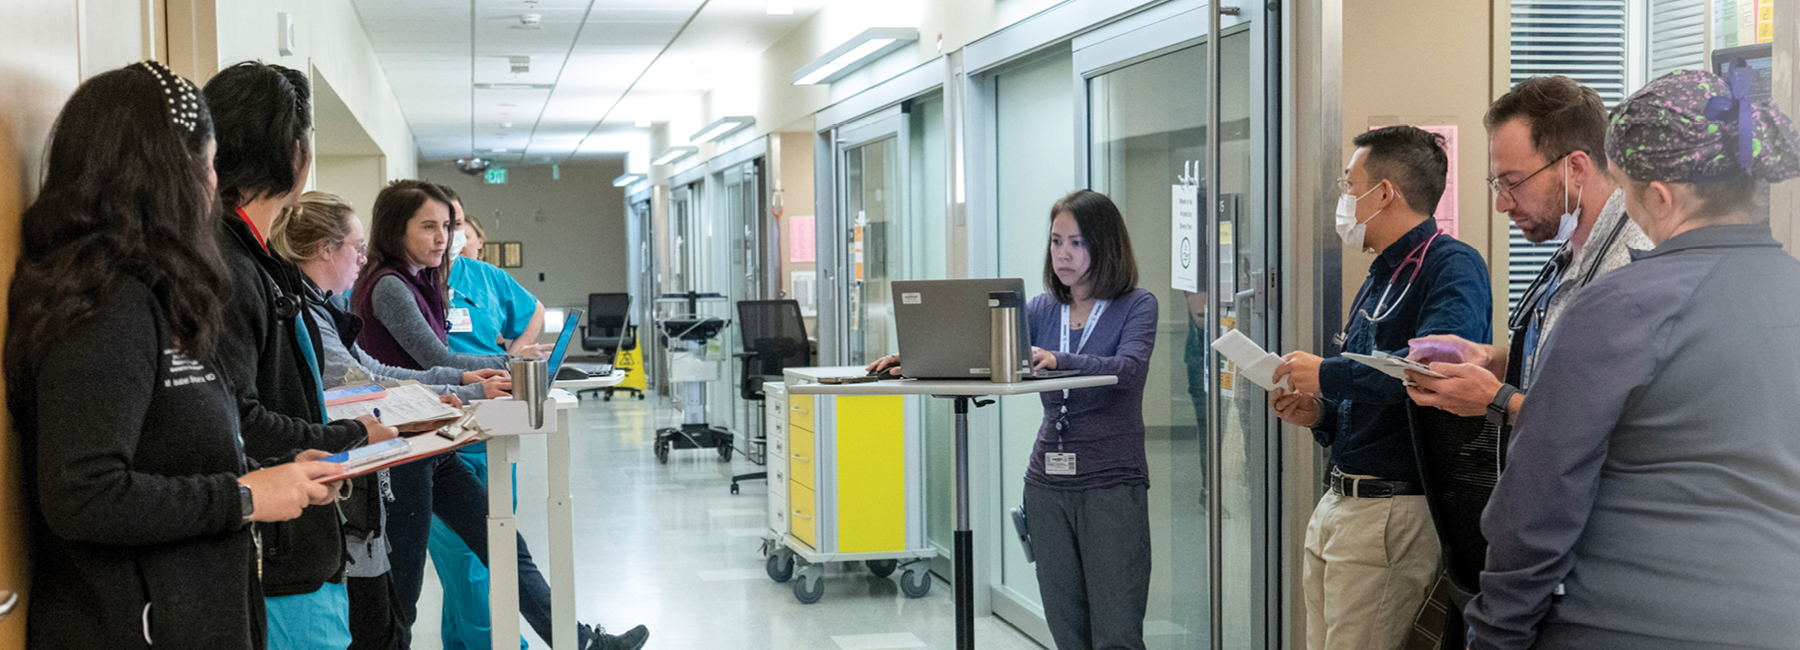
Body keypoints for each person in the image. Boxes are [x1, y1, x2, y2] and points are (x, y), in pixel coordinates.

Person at [4, 59, 344, 650]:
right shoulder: (106, 303)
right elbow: (83, 492)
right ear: (168, 175)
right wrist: (243, 498)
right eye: (209, 165)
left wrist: (269, 475)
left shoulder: (159, 291)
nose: (214, 185)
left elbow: (173, 451)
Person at [1464, 67, 1800, 650]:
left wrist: (1495, 632)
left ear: (1661, 197)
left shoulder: (1620, 308)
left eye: (1622, 185)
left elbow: (1538, 506)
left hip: (1623, 622)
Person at [353, 181, 647, 650]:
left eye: (448, 227)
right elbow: (434, 358)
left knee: (504, 546)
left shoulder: (421, 280)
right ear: (395, 229)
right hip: (405, 448)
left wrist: (511, 363)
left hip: (436, 440)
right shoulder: (389, 285)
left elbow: (444, 357)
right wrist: (509, 365)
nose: (443, 238)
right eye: (429, 227)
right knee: (403, 591)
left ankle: (579, 642)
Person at [872, 189, 1159, 650]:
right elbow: (979, 348)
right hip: (1047, 485)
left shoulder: (1136, 305)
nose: (1063, 254)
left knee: (1116, 633)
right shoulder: (1044, 309)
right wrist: (916, 357)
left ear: (1105, 246)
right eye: (1055, 241)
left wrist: (1056, 359)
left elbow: (1129, 370)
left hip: (1110, 483)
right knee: (1067, 628)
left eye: (1078, 243)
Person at [1267, 126, 1491, 650]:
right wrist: (1319, 413)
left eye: (1350, 186)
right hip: (1341, 498)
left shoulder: (1451, 266)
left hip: (1392, 509)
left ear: (1384, 193)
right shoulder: (1381, 275)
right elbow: (1370, 395)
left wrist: (1325, 373)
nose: (1343, 201)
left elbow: (1430, 375)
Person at [206, 60, 400, 650]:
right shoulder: (231, 267)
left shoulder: (255, 260)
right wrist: (348, 434)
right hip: (280, 553)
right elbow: (239, 417)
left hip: (297, 540)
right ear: (298, 156)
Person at [270, 191, 512, 650]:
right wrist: (465, 389)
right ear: (325, 249)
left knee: (400, 604)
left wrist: (462, 382)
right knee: (388, 609)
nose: (362, 258)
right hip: (359, 474)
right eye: (355, 247)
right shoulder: (311, 310)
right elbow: (364, 384)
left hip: (383, 462)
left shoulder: (329, 306)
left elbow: (378, 373)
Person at [1404, 75, 1652, 423]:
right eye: (1497, 185)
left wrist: (1498, 403)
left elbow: (1620, 423)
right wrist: (1491, 359)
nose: (1502, 205)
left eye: (1513, 182)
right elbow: (1575, 371)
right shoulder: (1573, 253)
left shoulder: (1637, 261)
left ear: (1576, 167)